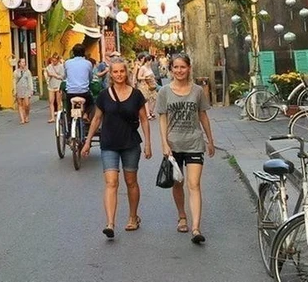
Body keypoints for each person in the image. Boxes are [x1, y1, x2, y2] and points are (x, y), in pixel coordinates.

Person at [82, 58, 151, 238]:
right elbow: (97, 119)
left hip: (130, 143)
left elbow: (144, 119)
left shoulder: (136, 95)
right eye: (115, 72)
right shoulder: (104, 95)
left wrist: (148, 144)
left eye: (122, 71)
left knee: (131, 182)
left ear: (126, 73)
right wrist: (88, 141)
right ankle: (110, 223)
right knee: (111, 182)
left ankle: (133, 217)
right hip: (109, 143)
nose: (119, 75)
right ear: (110, 74)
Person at [157, 53, 216, 245]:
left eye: (183, 67)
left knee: (194, 184)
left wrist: (210, 140)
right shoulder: (164, 91)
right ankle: (182, 215)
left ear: (189, 68)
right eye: (176, 67)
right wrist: (164, 143)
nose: (180, 70)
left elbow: (203, 115)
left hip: (194, 143)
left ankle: (196, 227)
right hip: (174, 145)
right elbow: (162, 117)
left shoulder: (198, 91)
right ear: (171, 69)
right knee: (178, 184)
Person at [63, 44, 95, 118]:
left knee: (69, 107)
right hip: (84, 92)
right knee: (92, 103)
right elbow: (90, 77)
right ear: (84, 53)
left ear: (73, 53)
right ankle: (86, 114)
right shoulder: (88, 63)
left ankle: (69, 123)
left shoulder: (67, 63)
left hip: (71, 92)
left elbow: (65, 76)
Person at [45, 53, 65, 123]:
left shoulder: (61, 66)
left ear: (58, 60)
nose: (54, 62)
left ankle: (59, 117)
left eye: (55, 61)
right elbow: (47, 74)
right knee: (51, 101)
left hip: (58, 85)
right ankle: (52, 117)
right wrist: (49, 74)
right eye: (52, 61)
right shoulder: (49, 66)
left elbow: (62, 76)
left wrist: (54, 75)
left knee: (58, 101)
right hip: (51, 85)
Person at [137, 54, 158, 120]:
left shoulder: (149, 67)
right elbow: (139, 77)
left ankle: (151, 111)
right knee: (146, 100)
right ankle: (148, 114)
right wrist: (145, 77)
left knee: (154, 98)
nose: (151, 62)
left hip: (151, 85)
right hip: (144, 85)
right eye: (151, 61)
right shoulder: (143, 68)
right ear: (148, 61)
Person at [13, 58, 33, 124]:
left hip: (26, 89)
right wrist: (14, 90)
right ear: (19, 63)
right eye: (22, 62)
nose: (23, 63)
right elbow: (14, 81)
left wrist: (31, 89)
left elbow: (30, 81)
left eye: (24, 62)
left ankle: (27, 115)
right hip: (19, 89)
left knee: (26, 104)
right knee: (20, 104)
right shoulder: (16, 72)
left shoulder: (27, 71)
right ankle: (22, 119)